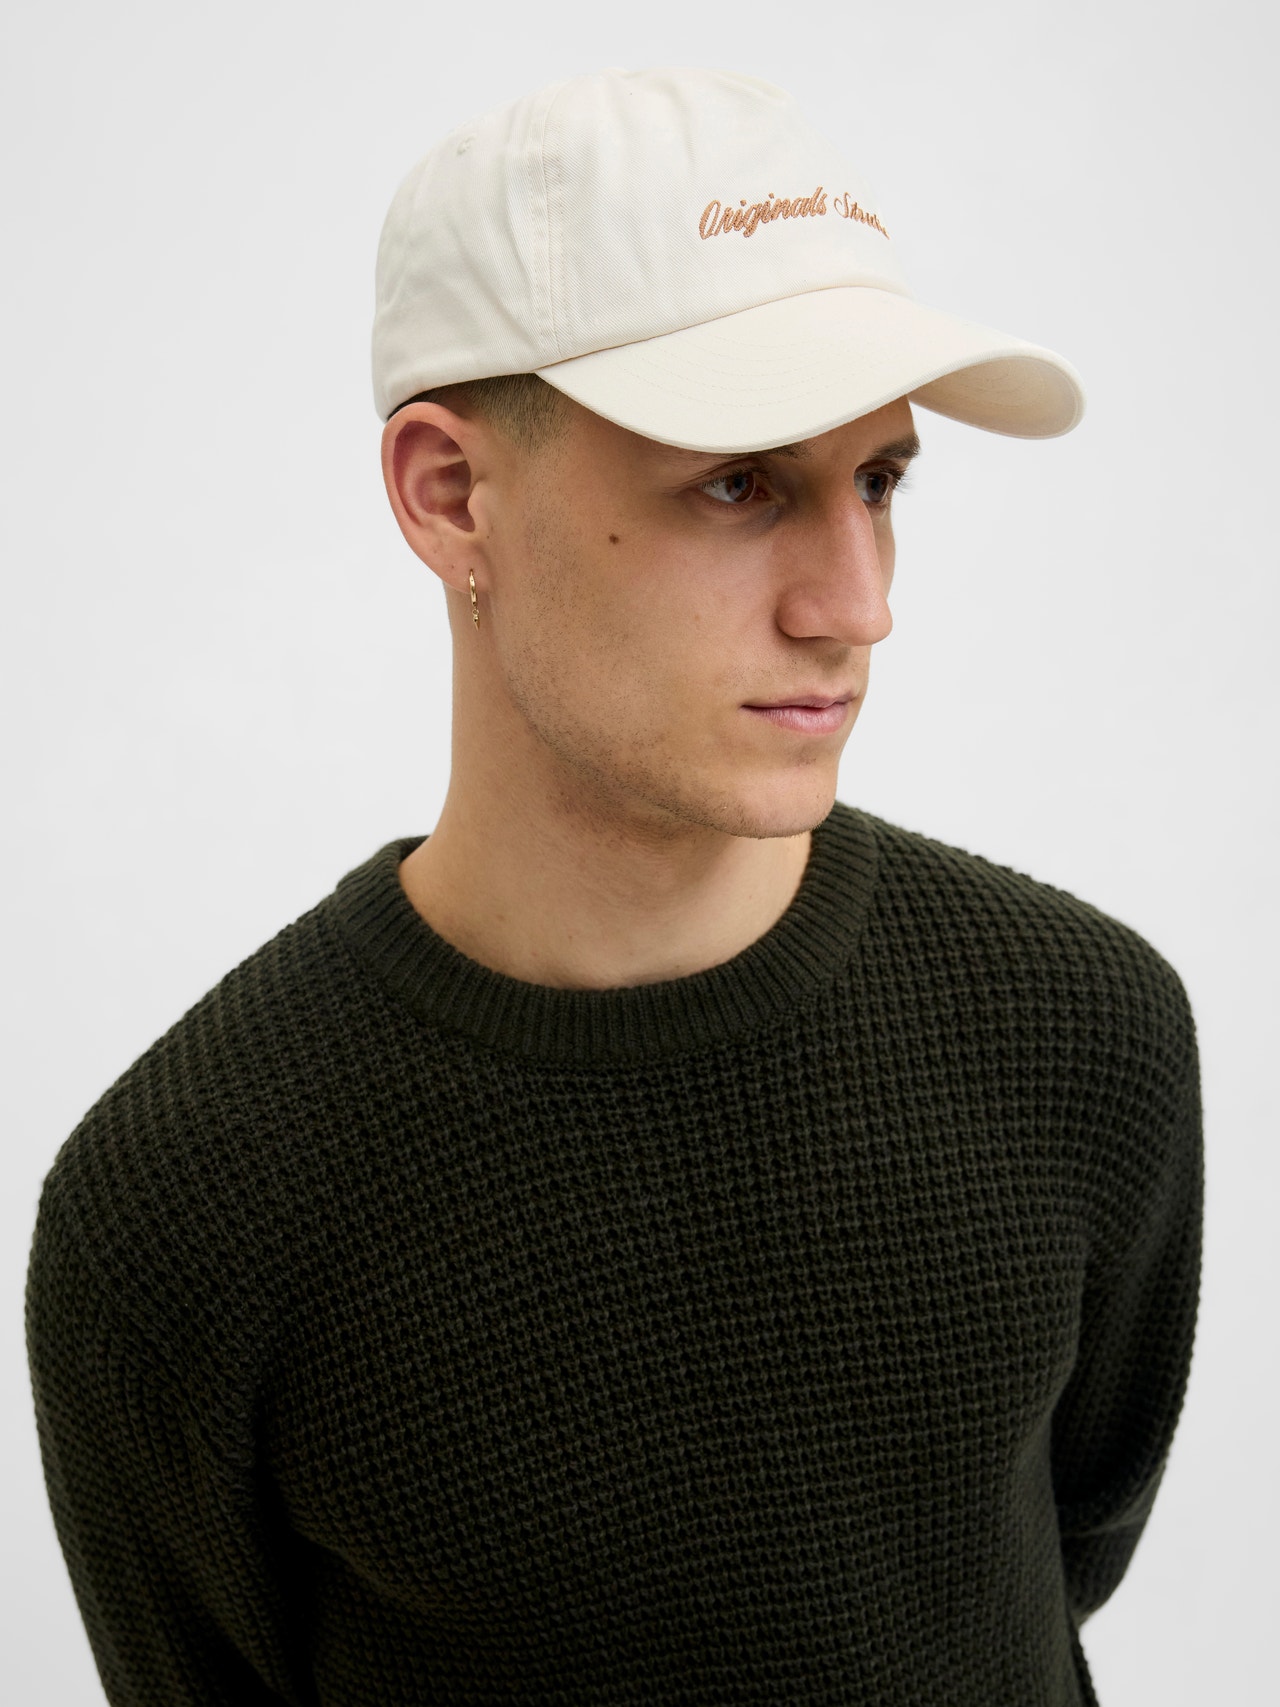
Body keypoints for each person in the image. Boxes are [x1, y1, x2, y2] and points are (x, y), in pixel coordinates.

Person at [26, 65, 1202, 1707]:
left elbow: (1043, 1570)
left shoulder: (1083, 1032)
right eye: (739, 483)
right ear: (451, 496)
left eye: (879, 480)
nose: (856, 604)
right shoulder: (187, 1213)